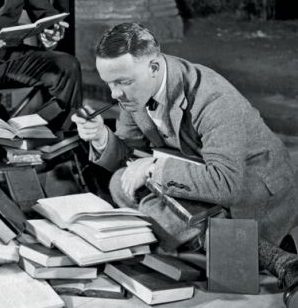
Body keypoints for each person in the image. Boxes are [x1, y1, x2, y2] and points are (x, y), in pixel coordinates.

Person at [72, 22, 298, 307]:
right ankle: (224, 239)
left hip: (255, 182)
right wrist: (103, 137)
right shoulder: (135, 92)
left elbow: (227, 183)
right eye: (109, 83)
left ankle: (273, 256)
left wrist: (153, 169)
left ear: (154, 67)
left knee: (161, 206)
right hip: (191, 171)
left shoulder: (213, 97)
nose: (115, 94)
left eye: (123, 82)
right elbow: (130, 157)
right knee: (120, 183)